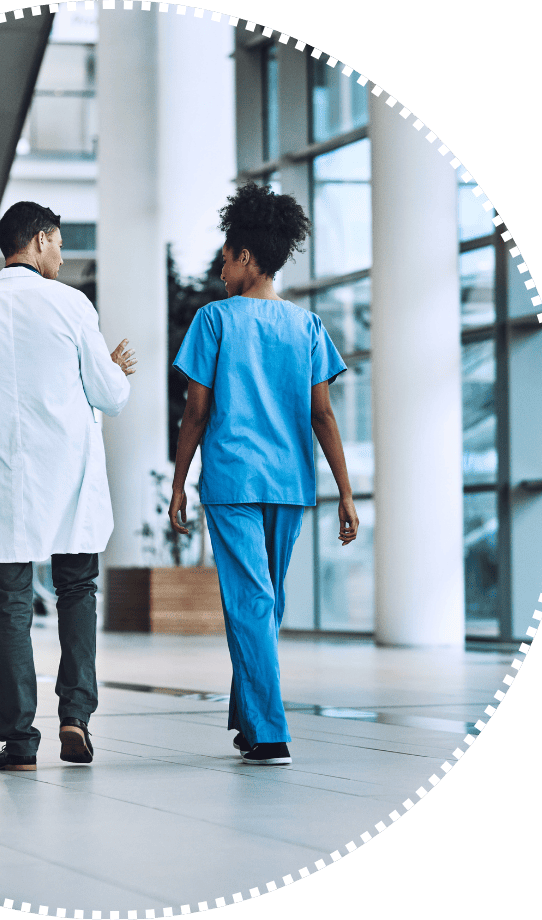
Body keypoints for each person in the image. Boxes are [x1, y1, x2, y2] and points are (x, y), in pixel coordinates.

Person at [0, 201, 135, 770]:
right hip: (69, 481)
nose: (62, 256)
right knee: (77, 592)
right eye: (61, 244)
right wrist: (114, 369)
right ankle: (75, 716)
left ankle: (19, 743)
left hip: (2, 485)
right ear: (41, 240)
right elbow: (110, 394)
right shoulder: (71, 305)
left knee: (11, 608)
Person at [169, 182, 358, 766]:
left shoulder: (214, 320)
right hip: (290, 484)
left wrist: (178, 483)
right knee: (264, 605)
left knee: (252, 604)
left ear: (246, 257)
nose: (222, 270)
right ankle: (249, 720)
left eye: (226, 259)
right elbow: (321, 415)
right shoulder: (307, 328)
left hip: (231, 482)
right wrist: (345, 495)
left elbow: (196, 411)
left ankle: (271, 733)